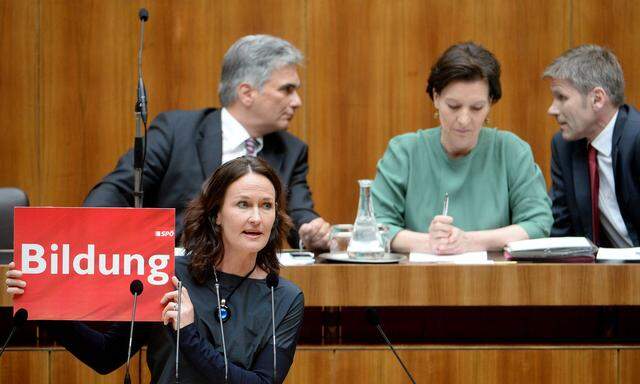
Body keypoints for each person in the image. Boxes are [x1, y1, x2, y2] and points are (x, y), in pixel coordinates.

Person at [6, 156, 304, 383]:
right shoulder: (167, 273)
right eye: (243, 204)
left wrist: (188, 334)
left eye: (266, 206)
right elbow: (106, 356)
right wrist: (42, 304)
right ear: (216, 215)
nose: (256, 218)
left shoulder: (285, 297)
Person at [84, 34, 330, 250]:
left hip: (251, 282)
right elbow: (117, 190)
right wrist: (88, 238)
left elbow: (299, 213)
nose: (297, 101)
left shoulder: (291, 150)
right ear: (247, 93)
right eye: (286, 90)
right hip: (177, 275)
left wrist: (312, 231)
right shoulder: (176, 132)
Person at [371, 42, 552, 254]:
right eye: (454, 106)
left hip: (497, 281)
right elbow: (377, 226)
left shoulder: (511, 150)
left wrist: (469, 241)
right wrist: (429, 243)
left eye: (477, 107)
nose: (464, 120)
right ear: (436, 98)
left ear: (490, 102)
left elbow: (538, 223)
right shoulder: (403, 151)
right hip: (416, 282)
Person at [544, 45, 640, 247]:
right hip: (604, 274)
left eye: (562, 97)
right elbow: (560, 231)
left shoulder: (637, 139)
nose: (552, 109)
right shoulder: (564, 147)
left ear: (597, 99)